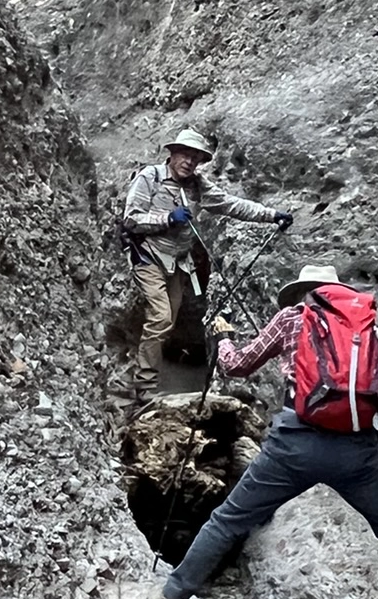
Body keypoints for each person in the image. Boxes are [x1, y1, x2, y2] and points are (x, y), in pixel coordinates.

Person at [144, 263, 378, 599]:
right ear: (335, 291)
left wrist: (225, 337)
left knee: (229, 520)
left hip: (293, 443)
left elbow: (236, 366)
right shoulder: (364, 323)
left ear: (304, 291)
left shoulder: (290, 318)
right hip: (356, 449)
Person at [122, 127, 292, 414]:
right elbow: (131, 219)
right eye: (185, 155)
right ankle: (145, 389)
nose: (189, 162)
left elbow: (231, 205)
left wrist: (271, 215)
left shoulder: (198, 186)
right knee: (161, 318)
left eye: (196, 157)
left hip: (178, 263)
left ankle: (149, 381)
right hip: (148, 256)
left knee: (168, 321)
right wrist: (167, 218)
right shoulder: (149, 177)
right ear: (172, 154)